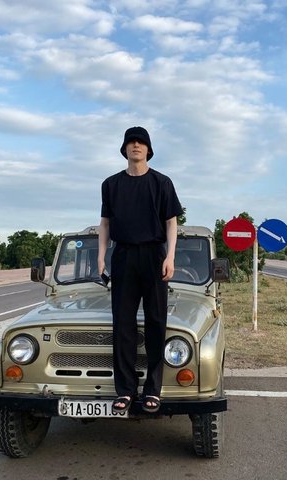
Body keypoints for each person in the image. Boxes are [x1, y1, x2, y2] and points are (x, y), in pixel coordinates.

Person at [98, 126, 183, 414]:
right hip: (123, 255)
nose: (136, 145)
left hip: (154, 255)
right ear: (124, 149)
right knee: (122, 322)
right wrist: (101, 257)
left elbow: (171, 222)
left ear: (148, 149)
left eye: (141, 142)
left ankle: (153, 389)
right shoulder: (111, 184)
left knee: (156, 321)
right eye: (131, 142)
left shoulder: (162, 183)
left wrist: (170, 256)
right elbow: (105, 224)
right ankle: (125, 390)